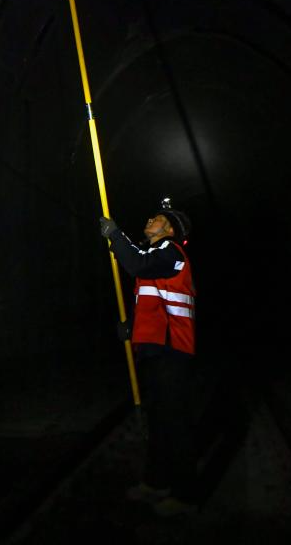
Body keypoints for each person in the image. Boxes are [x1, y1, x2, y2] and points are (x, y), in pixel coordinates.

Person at [99, 198, 197, 518]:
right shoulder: (157, 257)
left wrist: (116, 236)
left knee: (174, 423)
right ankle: (156, 482)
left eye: (156, 219)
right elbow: (152, 302)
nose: (149, 220)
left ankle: (185, 496)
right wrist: (132, 326)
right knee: (158, 421)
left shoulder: (170, 252)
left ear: (169, 229)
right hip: (155, 348)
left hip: (171, 349)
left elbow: (137, 264)